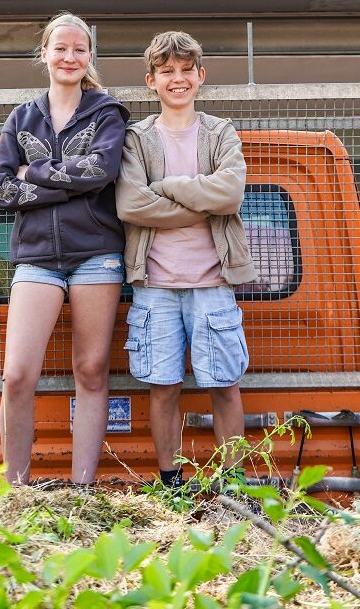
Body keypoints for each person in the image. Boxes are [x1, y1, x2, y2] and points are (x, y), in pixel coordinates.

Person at [0, 12, 129, 484]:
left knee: (90, 370)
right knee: (16, 375)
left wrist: (34, 172)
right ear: (44, 53)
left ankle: (82, 488)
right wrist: (68, 186)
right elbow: (1, 188)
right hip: (37, 259)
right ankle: (16, 489)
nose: (70, 57)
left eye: (79, 49)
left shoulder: (106, 112)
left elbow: (101, 171)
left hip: (96, 255)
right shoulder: (22, 117)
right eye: (61, 48)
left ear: (90, 57)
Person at [115, 30, 256, 489]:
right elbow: (131, 205)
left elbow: (230, 193)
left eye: (185, 70)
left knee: (225, 385)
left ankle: (233, 486)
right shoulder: (137, 138)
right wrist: (202, 200)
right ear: (151, 81)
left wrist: (169, 187)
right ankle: (172, 484)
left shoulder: (220, 132)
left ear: (201, 75)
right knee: (163, 386)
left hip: (213, 281)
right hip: (155, 283)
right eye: (166, 71)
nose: (177, 79)